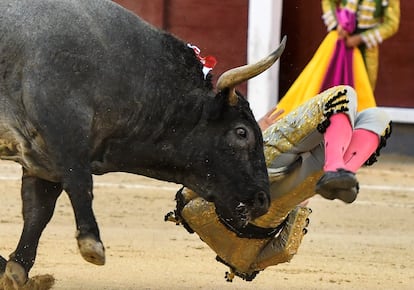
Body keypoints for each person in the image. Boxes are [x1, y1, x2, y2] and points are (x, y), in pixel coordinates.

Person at [167, 85, 392, 281]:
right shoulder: (241, 256)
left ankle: (338, 172)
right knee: (371, 115)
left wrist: (300, 206)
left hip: (270, 184)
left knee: (351, 102)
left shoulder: (243, 257)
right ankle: (340, 171)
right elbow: (285, 250)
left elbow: (284, 250)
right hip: (269, 183)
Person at [276, 0, 400, 116]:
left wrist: (361, 38)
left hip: (365, 50)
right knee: (319, 82)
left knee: (361, 96)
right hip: (338, 40)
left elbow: (392, 24)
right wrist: (337, 25)